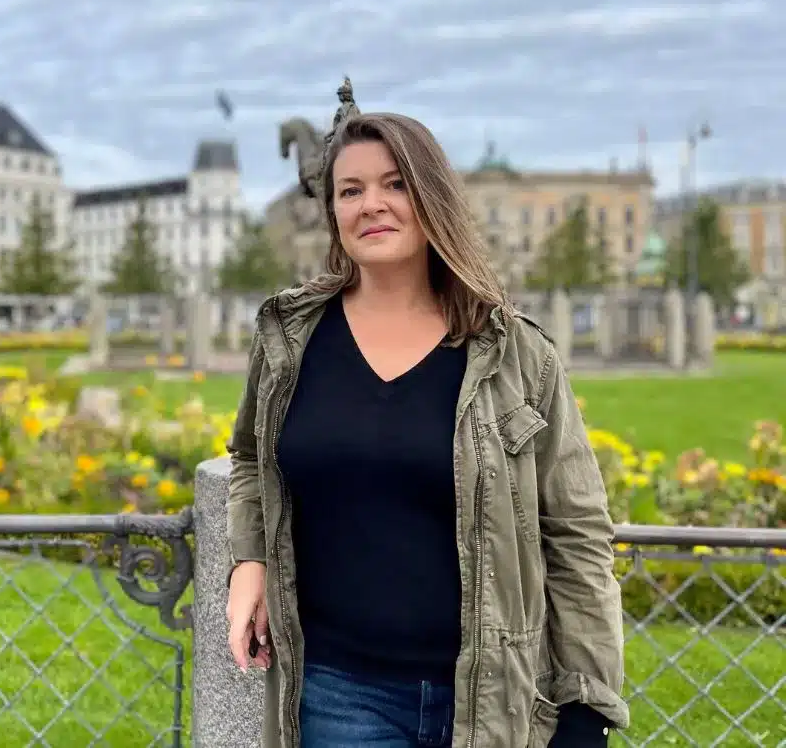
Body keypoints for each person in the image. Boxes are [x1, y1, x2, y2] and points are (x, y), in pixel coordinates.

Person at [225, 94, 627, 747]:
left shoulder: (516, 353)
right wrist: (249, 561)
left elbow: (576, 532)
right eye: (350, 190)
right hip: (341, 696)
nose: (371, 204)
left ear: (432, 198)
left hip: (494, 696)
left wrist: (586, 706)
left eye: (395, 184)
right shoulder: (289, 339)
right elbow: (249, 456)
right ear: (332, 212)